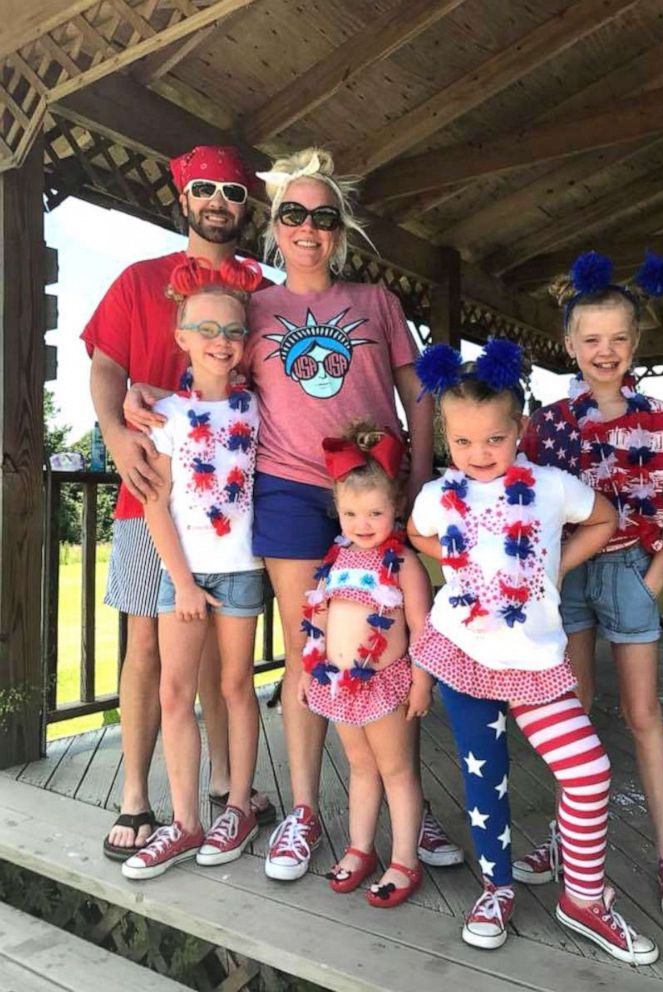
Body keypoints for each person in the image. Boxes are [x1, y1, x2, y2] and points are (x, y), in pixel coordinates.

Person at [124, 147, 462, 881]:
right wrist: (142, 395)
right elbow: (209, 371)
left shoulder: (376, 303)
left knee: (392, 645)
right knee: (315, 651)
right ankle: (305, 812)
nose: (308, 228)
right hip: (285, 490)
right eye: (293, 215)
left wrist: (419, 468)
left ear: (340, 230)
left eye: (323, 216)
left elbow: (419, 392)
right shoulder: (259, 307)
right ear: (274, 227)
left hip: (371, 494)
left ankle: (411, 804)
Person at [407, 337, 659, 964]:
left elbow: (605, 519)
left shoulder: (552, 487)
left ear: (518, 429)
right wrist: (458, 560)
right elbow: (416, 534)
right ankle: (496, 888)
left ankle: (583, 897)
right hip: (463, 653)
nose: (478, 454)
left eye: (493, 439)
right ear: (445, 437)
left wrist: (556, 565)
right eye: (462, 443)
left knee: (589, 770)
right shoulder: (439, 496)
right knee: (483, 777)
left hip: (535, 662)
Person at [83, 145, 273, 860]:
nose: (217, 201)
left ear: (244, 204)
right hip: (151, 498)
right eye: (204, 190)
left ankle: (229, 787)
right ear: (184, 198)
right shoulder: (141, 281)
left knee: (227, 669)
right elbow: (107, 366)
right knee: (146, 648)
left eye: (231, 190)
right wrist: (113, 432)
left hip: (228, 519)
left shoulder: (262, 295)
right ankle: (137, 794)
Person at [516, 251, 663, 925]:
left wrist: (657, 573)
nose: (606, 350)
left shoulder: (661, 419)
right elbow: (527, 504)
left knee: (643, 714)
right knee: (574, 707)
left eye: (618, 338)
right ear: (569, 346)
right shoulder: (546, 425)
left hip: (630, 571)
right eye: (591, 339)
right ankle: (565, 838)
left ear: (635, 342)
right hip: (567, 573)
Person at [122, 257, 265, 878]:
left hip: (241, 571)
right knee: (175, 691)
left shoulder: (257, 410)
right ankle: (184, 822)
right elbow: (156, 503)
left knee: (237, 687)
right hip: (181, 574)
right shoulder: (166, 419)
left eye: (233, 331)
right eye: (206, 329)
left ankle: (238, 804)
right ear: (180, 338)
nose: (221, 342)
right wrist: (180, 580)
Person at [297, 422, 434, 906]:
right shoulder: (336, 559)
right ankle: (361, 848)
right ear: (337, 509)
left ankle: (405, 861)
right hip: (339, 686)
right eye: (351, 512)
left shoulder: (404, 564)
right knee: (359, 767)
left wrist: (421, 682)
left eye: (375, 511)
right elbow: (319, 616)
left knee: (396, 770)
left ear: (396, 507)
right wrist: (306, 670)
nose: (363, 522)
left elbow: (421, 627)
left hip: (386, 686)